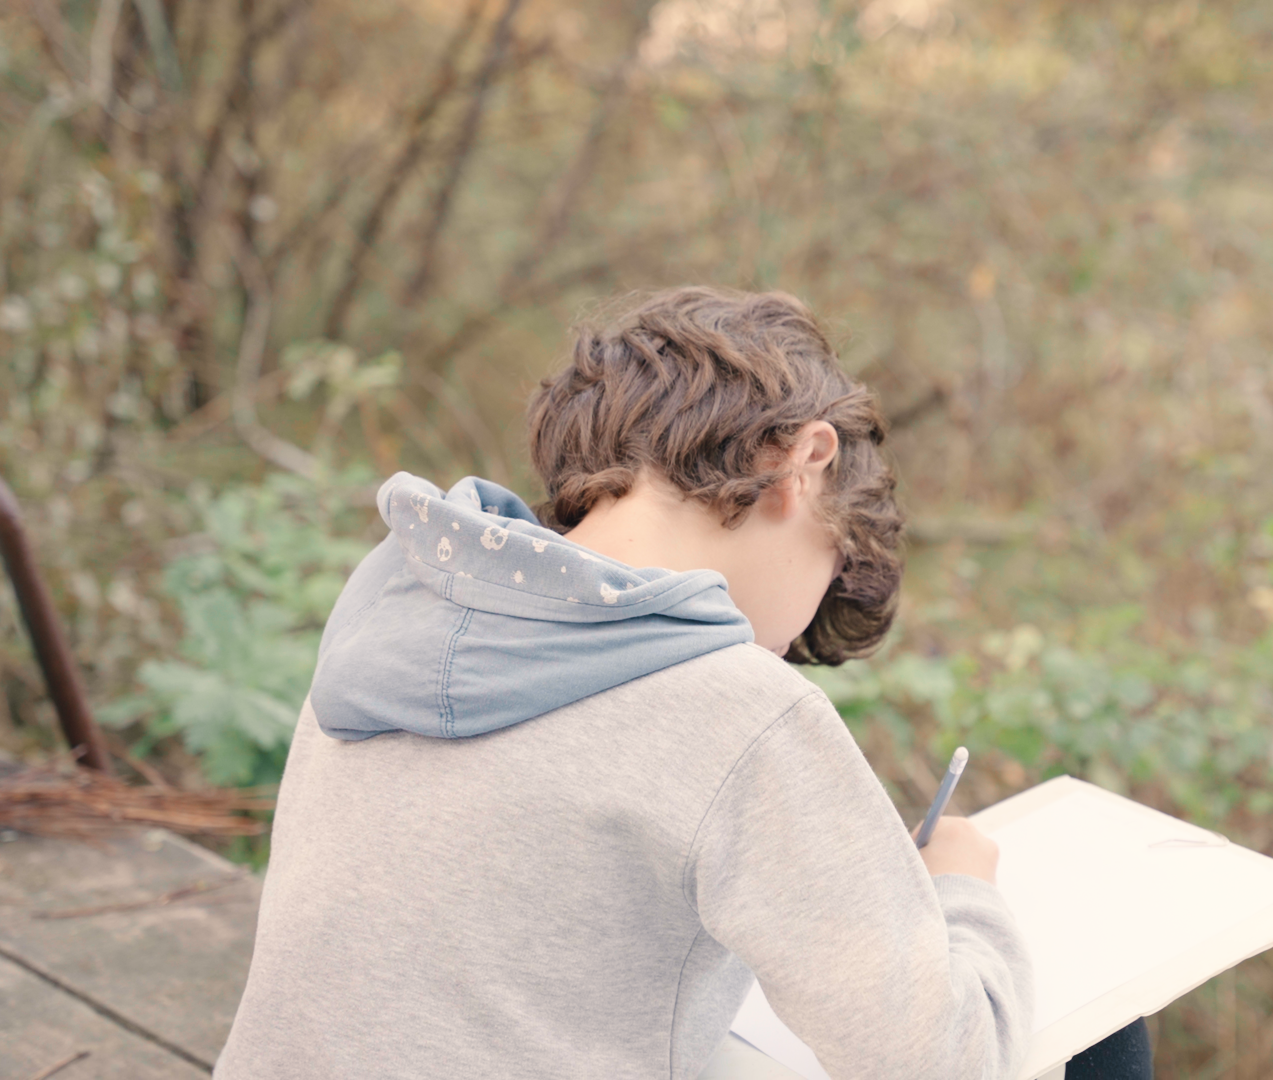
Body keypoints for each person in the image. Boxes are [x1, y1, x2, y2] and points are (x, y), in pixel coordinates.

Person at [213, 286, 1149, 1079]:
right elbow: (948, 1061)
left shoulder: (396, 602)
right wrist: (960, 890)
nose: (785, 644)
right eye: (825, 574)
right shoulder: (736, 706)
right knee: (1103, 1027)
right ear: (804, 461)